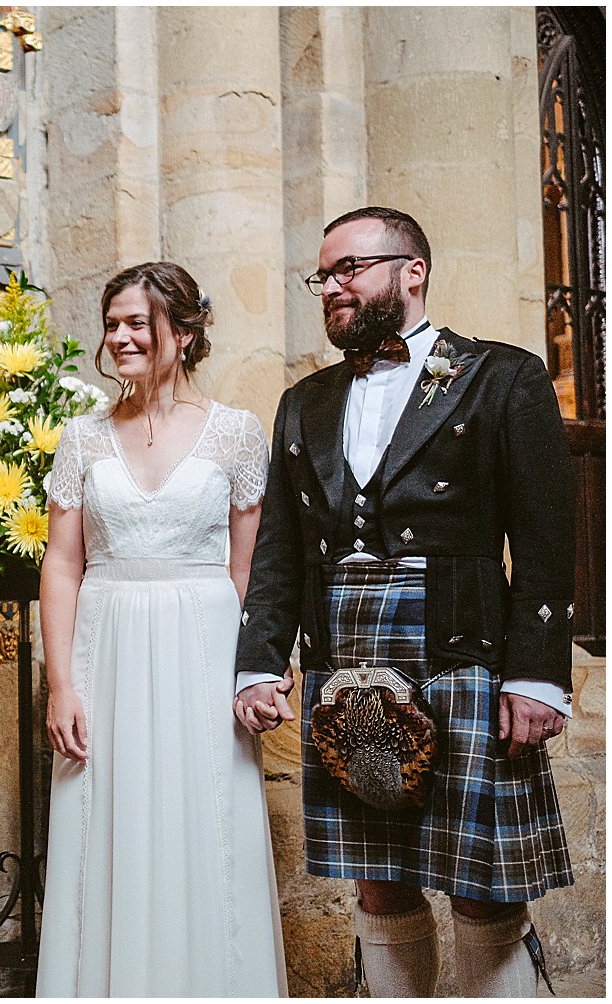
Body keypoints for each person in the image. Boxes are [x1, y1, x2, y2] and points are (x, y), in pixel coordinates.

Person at [235, 206, 574, 997]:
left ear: (411, 271)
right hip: (344, 669)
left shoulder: (503, 375)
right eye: (324, 276)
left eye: (349, 268)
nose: (333, 288)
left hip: (465, 659)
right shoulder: (304, 401)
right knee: (377, 882)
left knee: (482, 883)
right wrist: (258, 665)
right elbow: (280, 551)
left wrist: (538, 674)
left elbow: (548, 542)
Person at [38, 262, 286, 996]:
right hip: (106, 650)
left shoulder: (236, 435)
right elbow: (60, 566)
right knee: (109, 830)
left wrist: (254, 672)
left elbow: (249, 574)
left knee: (203, 827)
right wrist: (61, 685)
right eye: (111, 324)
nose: (119, 337)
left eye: (136, 323)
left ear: (182, 332)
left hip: (203, 654)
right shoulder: (81, 439)